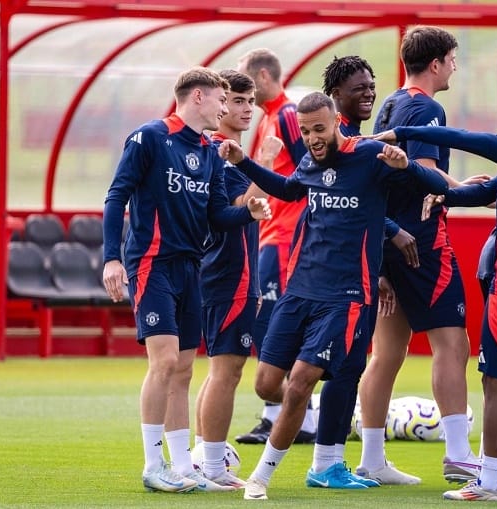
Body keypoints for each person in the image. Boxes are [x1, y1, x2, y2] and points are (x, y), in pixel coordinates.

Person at [218, 91, 449, 500]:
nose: (312, 138)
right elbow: (289, 189)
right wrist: (243, 162)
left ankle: (262, 477)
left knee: (300, 383)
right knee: (266, 384)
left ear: (337, 123)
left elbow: (432, 184)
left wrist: (408, 165)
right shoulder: (311, 161)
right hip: (299, 290)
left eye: (319, 129)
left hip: (345, 297)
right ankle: (320, 449)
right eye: (305, 132)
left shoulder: (371, 156)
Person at [376, 79, 497, 502]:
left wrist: (399, 134)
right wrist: (441, 191)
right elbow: (485, 192)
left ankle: (489, 483)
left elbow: (460, 137)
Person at [101, 66, 271, 494]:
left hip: (190, 268)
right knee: (162, 363)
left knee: (182, 370)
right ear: (198, 96)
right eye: (221, 99)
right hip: (152, 263)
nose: (224, 108)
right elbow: (116, 195)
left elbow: (218, 215)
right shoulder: (150, 138)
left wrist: (248, 213)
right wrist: (112, 259)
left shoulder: (210, 153)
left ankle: (184, 467)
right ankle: (153, 465)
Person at [356, 25, 490, 486]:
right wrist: (463, 189)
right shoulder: (428, 107)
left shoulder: (391, 103)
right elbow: (426, 171)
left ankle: (372, 459)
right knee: (453, 344)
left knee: (386, 353)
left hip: (387, 238)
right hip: (421, 242)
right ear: (435, 64)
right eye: (452, 59)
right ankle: (458, 455)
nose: (455, 66)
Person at [303, 55, 416, 490]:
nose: (369, 93)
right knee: (331, 368)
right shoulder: (334, 142)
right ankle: (321, 462)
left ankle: (340, 461)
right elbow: (343, 208)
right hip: (335, 277)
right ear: (335, 97)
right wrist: (393, 232)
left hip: (357, 272)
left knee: (349, 365)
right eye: (359, 88)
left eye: (371, 85)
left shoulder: (357, 140)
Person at [192, 69, 284, 489]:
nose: (247, 109)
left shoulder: (221, 151)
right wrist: (264, 162)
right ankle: (212, 465)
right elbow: (244, 207)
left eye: (250, 102)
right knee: (227, 371)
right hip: (229, 274)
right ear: (219, 103)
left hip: (231, 273)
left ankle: (204, 456)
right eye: (237, 101)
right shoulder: (222, 153)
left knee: (221, 370)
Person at [234, 48, 316, 445]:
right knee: (266, 324)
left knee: (274, 324)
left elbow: (307, 172)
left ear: (264, 76)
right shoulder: (269, 118)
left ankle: (303, 418)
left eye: (247, 84)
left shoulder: (286, 116)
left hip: (285, 237)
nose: (245, 96)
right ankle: (279, 415)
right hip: (270, 234)